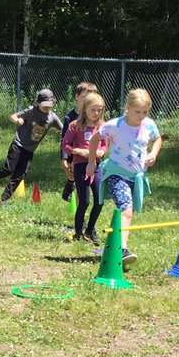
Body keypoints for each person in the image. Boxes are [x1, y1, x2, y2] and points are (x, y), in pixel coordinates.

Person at [86, 88, 161, 270]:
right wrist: (91, 162)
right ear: (128, 108)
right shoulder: (116, 125)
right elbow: (95, 139)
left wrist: (153, 153)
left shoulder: (149, 124)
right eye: (137, 112)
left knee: (129, 211)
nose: (141, 116)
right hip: (116, 173)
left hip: (136, 176)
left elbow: (158, 139)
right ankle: (123, 249)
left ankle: (118, 246)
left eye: (145, 112)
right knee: (126, 209)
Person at [0, 88, 62, 203]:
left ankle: (3, 200)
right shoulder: (31, 111)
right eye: (44, 105)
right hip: (18, 144)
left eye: (49, 105)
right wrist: (17, 120)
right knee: (8, 170)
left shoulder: (52, 117)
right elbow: (13, 116)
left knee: (19, 175)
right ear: (38, 102)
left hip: (29, 150)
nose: (46, 108)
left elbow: (63, 129)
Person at [61, 92, 107, 244]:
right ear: (85, 109)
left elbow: (104, 144)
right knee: (85, 201)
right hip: (81, 166)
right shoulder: (75, 126)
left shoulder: (102, 127)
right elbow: (65, 145)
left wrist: (102, 151)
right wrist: (78, 151)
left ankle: (91, 229)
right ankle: (78, 232)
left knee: (100, 200)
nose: (96, 113)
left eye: (99, 110)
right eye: (93, 109)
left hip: (97, 165)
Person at [62, 82, 98, 201]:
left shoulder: (95, 117)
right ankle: (79, 212)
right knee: (80, 187)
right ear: (77, 97)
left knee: (87, 185)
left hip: (91, 156)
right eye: (84, 96)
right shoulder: (70, 118)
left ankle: (69, 185)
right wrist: (64, 159)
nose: (87, 99)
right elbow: (64, 140)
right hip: (75, 154)